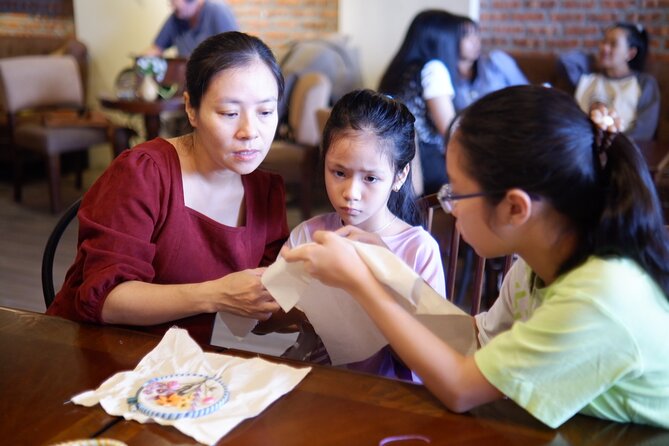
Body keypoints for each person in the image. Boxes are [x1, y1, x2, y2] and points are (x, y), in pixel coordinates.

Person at [281, 85, 669, 429]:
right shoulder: (535, 266)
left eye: (457, 194)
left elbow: (461, 387)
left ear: (515, 208)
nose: (449, 208)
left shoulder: (598, 297)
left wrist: (361, 282)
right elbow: (471, 339)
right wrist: (384, 267)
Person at [47, 32, 288, 345]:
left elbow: (262, 312)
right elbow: (106, 300)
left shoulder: (264, 192)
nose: (250, 132)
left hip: (174, 371)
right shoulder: (144, 173)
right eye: (229, 113)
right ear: (191, 108)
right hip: (87, 350)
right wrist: (215, 295)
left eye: (266, 112)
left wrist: (336, 289)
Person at [282, 89, 445, 379]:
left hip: (389, 395)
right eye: (339, 173)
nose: (351, 194)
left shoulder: (418, 249)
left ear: (400, 175)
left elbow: (434, 353)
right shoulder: (309, 235)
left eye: (370, 178)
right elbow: (274, 320)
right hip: (317, 384)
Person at [378, 10, 527, 195]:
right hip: (426, 163)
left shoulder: (401, 70)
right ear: (441, 39)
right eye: (456, 36)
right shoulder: (434, 69)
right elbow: (450, 130)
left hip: (395, 157)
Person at [559, 22, 660, 142]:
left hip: (618, 152)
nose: (604, 48)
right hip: (578, 146)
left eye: (613, 44)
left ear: (630, 53)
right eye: (603, 42)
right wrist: (596, 59)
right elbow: (565, 60)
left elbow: (643, 133)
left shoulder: (644, 83)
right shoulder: (587, 77)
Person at [146, 0, 238, 57]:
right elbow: (156, 49)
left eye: (177, 7)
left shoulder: (217, 10)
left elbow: (234, 50)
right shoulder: (176, 18)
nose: (173, 9)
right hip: (188, 80)